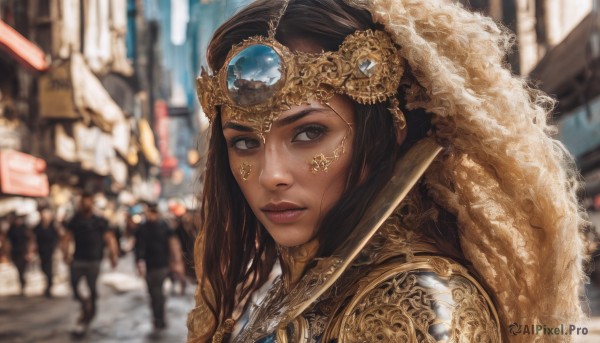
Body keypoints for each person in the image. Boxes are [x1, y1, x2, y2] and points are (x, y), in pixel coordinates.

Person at [186, 0, 590, 342]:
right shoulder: (307, 279)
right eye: (244, 143)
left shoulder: (416, 304)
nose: (271, 175)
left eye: (309, 133)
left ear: (387, 131)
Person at [62, 192, 119, 336]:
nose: (86, 204)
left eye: (88, 201)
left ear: (92, 203)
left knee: (92, 289)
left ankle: (89, 313)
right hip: (78, 259)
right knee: (74, 286)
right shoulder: (75, 220)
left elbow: (110, 239)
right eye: (84, 201)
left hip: (94, 260)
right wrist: (65, 254)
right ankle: (84, 305)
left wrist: (113, 256)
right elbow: (66, 238)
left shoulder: (100, 221)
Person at [135, 203, 184, 330]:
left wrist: (176, 261)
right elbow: (138, 247)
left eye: (153, 212)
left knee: (157, 292)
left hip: (162, 265)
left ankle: (159, 318)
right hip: (149, 266)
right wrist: (139, 262)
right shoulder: (142, 228)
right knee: (152, 292)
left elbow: (173, 244)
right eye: (149, 212)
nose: (151, 215)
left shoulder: (164, 227)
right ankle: (157, 316)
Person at [33, 206, 61, 298]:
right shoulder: (38, 227)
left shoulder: (53, 226)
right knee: (44, 269)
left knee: (49, 270)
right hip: (42, 251)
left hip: (51, 251)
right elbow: (33, 238)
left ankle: (49, 287)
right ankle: (48, 286)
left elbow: (59, 236)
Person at [6, 211, 33, 296]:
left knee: (22, 269)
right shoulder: (11, 229)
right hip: (15, 252)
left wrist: (29, 252)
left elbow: (30, 239)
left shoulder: (23, 228)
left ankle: (23, 283)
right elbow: (8, 242)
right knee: (19, 269)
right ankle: (22, 283)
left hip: (24, 252)